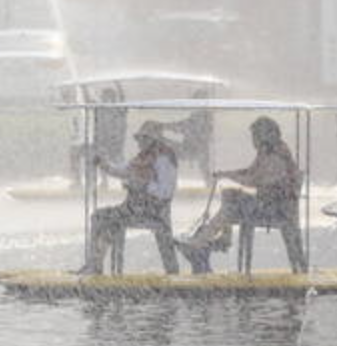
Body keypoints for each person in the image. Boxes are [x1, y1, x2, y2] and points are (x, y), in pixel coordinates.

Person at [175, 116, 302, 274]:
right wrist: (225, 174)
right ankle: (213, 240)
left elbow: (253, 180)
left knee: (232, 202)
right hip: (267, 204)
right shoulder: (266, 152)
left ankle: (207, 241)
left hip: (277, 210)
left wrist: (230, 178)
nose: (253, 140)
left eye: (255, 136)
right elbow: (249, 171)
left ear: (265, 136)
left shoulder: (277, 156)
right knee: (230, 195)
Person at [76, 120, 179, 276]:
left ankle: (97, 266)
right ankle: (95, 265)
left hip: (153, 212)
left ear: (154, 140)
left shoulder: (164, 159)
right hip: (131, 208)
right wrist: (103, 164)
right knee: (99, 217)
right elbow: (122, 172)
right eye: (139, 139)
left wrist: (143, 186)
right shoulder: (141, 158)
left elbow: (166, 192)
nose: (140, 142)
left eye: (144, 138)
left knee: (110, 220)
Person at [161, 88, 214, 182]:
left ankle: (166, 181)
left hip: (192, 150)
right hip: (196, 149)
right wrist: (166, 126)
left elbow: (186, 126)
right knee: (205, 171)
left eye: (196, 100)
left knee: (164, 147)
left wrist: (165, 126)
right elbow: (185, 125)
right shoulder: (202, 115)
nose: (193, 104)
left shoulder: (202, 116)